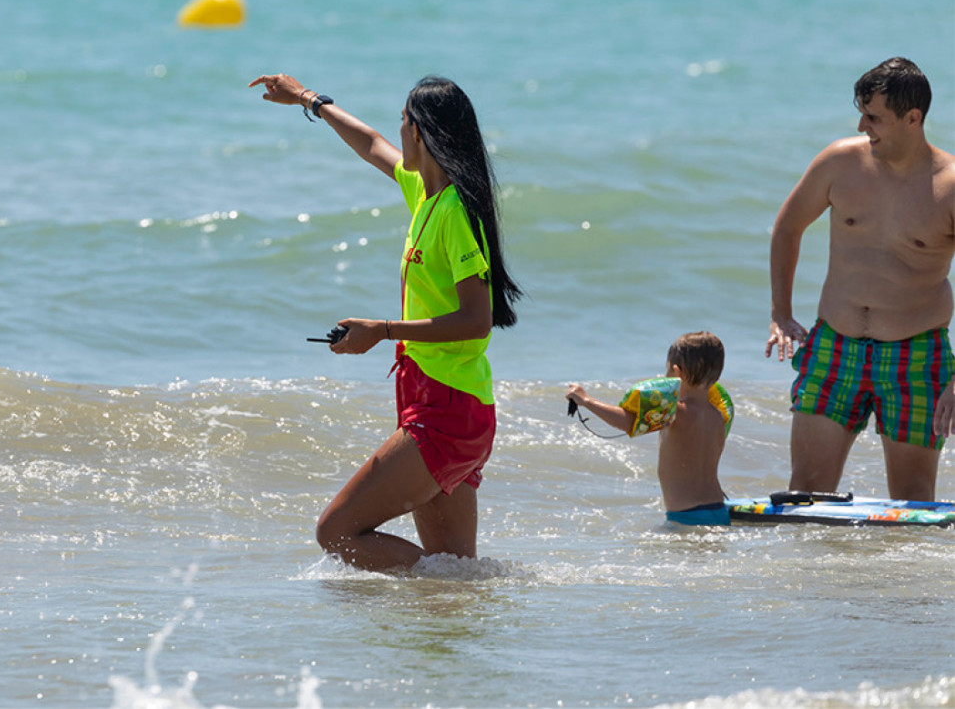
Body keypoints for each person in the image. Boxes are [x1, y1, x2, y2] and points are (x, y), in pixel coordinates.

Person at [248, 72, 522, 572]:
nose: (396, 133)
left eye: (402, 123)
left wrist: (384, 331)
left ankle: (459, 592)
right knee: (455, 569)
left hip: (448, 410)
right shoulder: (426, 194)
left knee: (335, 532)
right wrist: (310, 100)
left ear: (419, 132)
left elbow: (476, 321)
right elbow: (369, 143)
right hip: (444, 399)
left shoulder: (456, 211)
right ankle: (470, 615)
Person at [766, 57, 955, 502]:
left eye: (874, 117)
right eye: (862, 113)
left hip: (916, 356)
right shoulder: (840, 162)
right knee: (806, 493)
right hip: (835, 345)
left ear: (913, 118)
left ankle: (892, 577)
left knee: (912, 502)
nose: (861, 124)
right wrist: (780, 313)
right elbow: (787, 227)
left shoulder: (949, 185)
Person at [566, 332, 732, 526]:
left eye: (667, 370)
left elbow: (628, 422)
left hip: (687, 516)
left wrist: (586, 400)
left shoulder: (676, 411)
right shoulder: (718, 416)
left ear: (677, 372)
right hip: (719, 510)